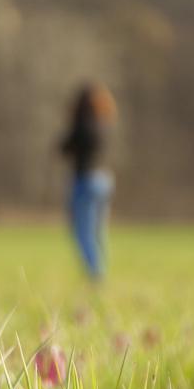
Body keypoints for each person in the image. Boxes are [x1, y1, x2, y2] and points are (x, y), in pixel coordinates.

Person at [59, 83, 117, 280]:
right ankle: (101, 268)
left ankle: (95, 274)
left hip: (86, 180)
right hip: (105, 180)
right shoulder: (104, 123)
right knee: (99, 230)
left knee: (83, 230)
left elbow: (64, 147)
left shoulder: (82, 125)